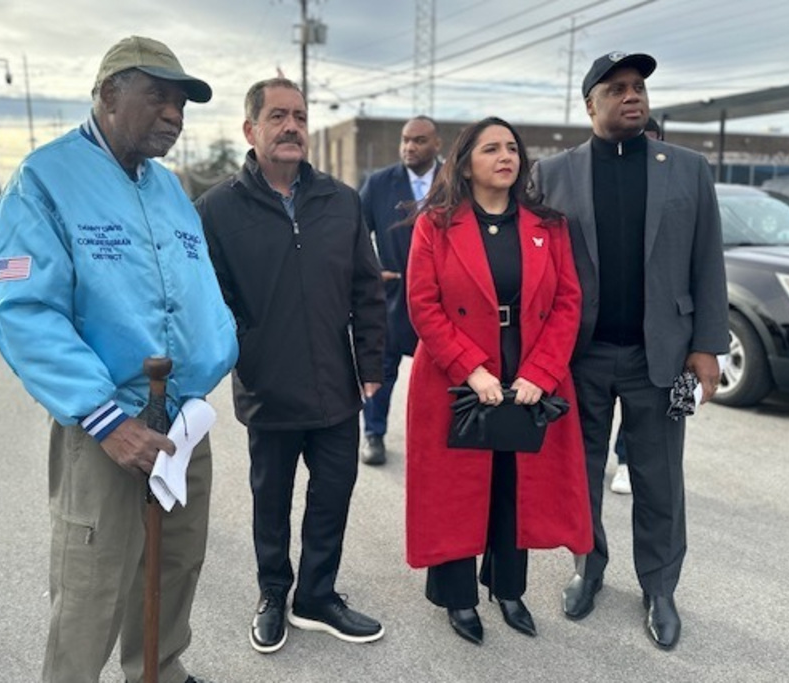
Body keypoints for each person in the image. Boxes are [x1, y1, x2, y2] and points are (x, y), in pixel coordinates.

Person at [0, 36, 237, 683]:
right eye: (158, 96)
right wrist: (105, 419)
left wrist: (209, 365)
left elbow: (199, 292)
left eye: (181, 104)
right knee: (92, 580)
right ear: (107, 95)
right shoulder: (46, 180)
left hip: (180, 419)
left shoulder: (169, 190)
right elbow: (26, 311)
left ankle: (160, 669)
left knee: (176, 562)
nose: (174, 114)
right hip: (107, 421)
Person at [530, 52, 729, 650]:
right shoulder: (552, 173)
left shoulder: (687, 168)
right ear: (590, 105)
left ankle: (660, 588)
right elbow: (534, 267)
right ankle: (587, 568)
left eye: (638, 86)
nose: (632, 96)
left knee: (659, 479)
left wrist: (708, 346)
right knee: (580, 474)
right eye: (616, 89)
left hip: (660, 356)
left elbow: (707, 260)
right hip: (579, 356)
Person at [196, 77, 386, 654]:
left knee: (333, 494)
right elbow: (211, 301)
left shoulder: (341, 201)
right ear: (250, 130)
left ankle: (317, 596)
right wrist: (247, 351)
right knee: (271, 500)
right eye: (278, 116)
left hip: (336, 384)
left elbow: (367, 288)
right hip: (269, 387)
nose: (292, 127)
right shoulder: (217, 209)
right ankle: (274, 592)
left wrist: (370, 363)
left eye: (300, 116)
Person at [404, 117, 593, 645]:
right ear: (465, 164)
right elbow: (423, 304)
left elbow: (568, 302)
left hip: (526, 368)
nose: (505, 156)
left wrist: (541, 373)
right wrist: (471, 368)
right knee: (456, 489)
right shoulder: (436, 224)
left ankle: (509, 589)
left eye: (511, 147)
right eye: (490, 149)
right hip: (455, 375)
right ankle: (457, 596)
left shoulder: (548, 226)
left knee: (515, 483)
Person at [357, 115, 441, 465]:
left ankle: (436, 440)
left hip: (440, 300)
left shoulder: (456, 181)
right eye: (405, 140)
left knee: (439, 374)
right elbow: (354, 232)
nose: (409, 147)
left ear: (436, 144)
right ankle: (373, 434)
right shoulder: (379, 183)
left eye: (419, 140)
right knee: (382, 369)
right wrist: (372, 271)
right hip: (392, 297)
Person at [609, 115, 663, 498]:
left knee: (642, 411)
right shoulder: (605, 182)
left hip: (653, 329)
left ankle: (626, 460)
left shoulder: (670, 183)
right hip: (601, 325)